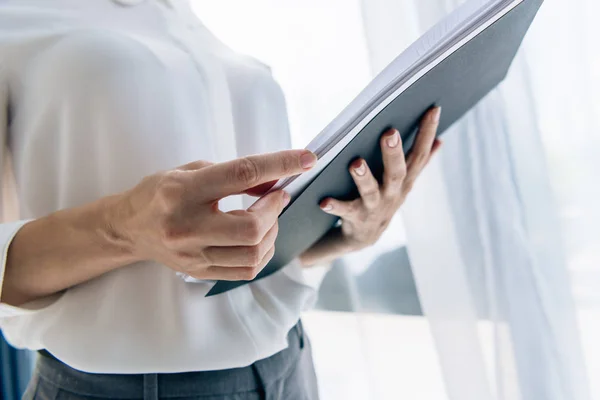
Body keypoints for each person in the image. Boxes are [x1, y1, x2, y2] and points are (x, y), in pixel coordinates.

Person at [0, 1, 441, 399]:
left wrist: (343, 234)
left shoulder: (182, 16)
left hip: (291, 364)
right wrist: (125, 227)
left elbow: (230, 253)